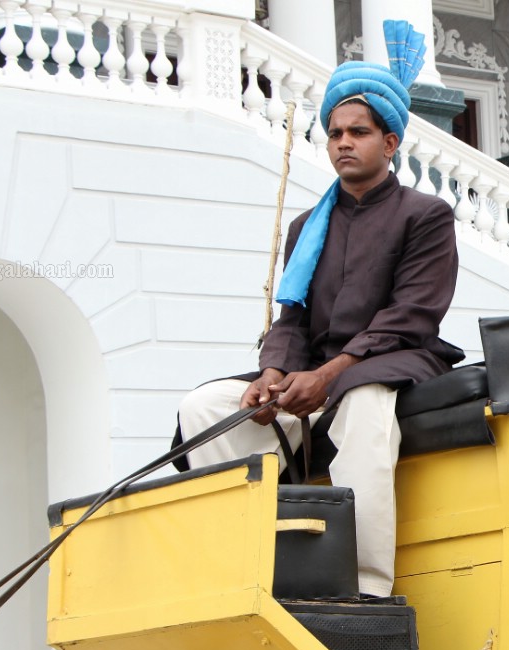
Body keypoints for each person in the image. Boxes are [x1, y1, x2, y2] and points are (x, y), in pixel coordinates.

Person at [176, 60, 462, 598]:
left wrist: (329, 376)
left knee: (365, 411)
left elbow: (411, 315)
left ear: (390, 141)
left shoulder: (425, 215)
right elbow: (293, 319)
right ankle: (242, 562)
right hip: (312, 369)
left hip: (394, 359)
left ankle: (365, 589)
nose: (343, 143)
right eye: (334, 133)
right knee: (206, 407)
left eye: (359, 132)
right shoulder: (307, 226)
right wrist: (271, 375)